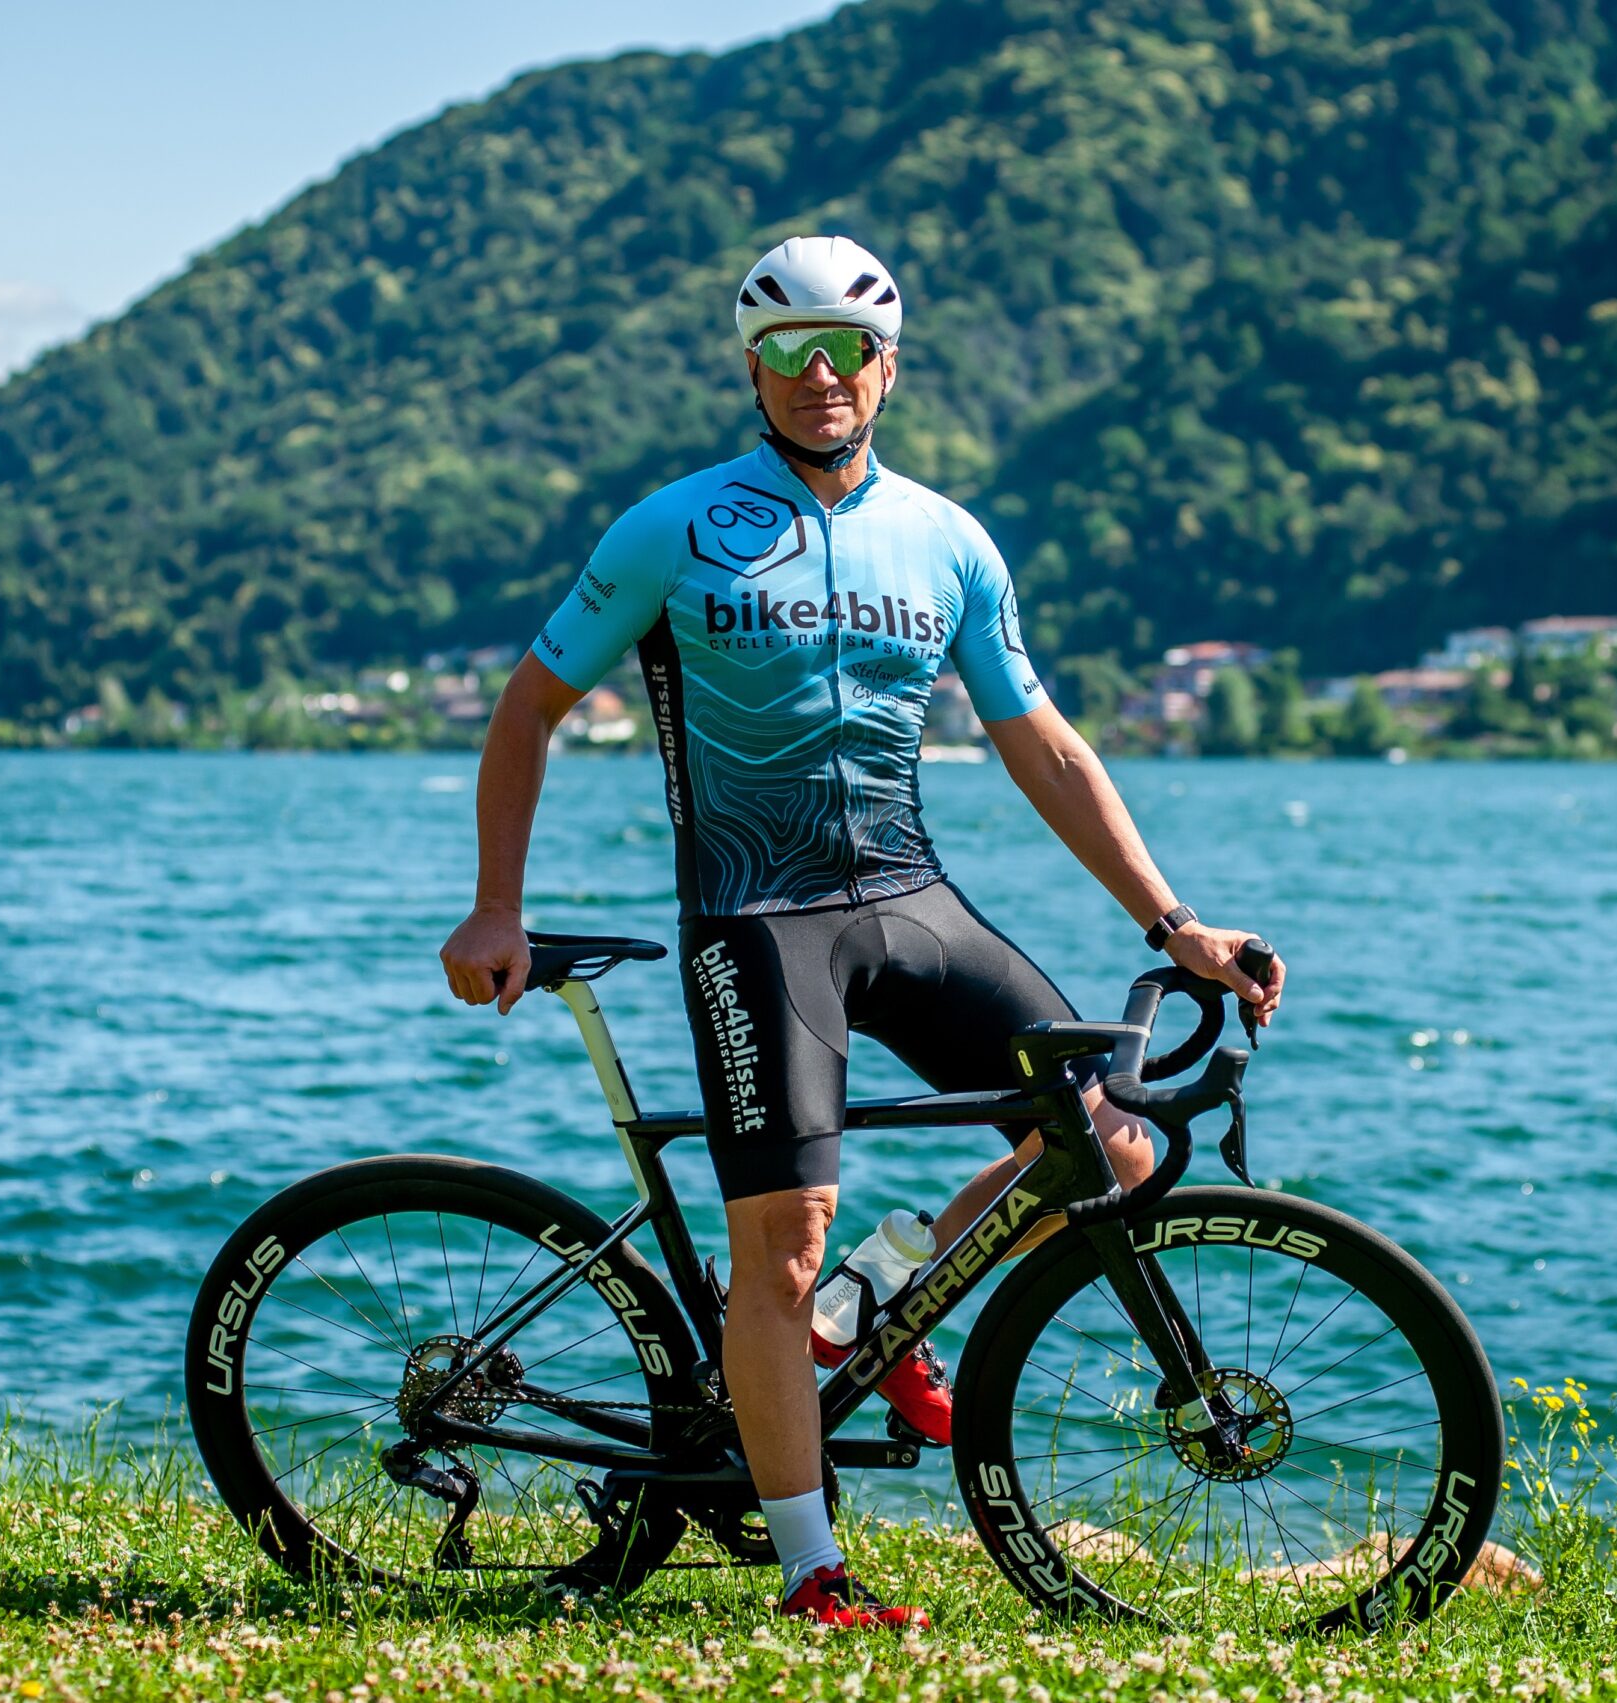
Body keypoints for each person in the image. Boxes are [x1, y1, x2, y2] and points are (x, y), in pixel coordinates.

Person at [439, 235, 1285, 1628]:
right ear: (751, 368)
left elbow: (1045, 746)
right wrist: (496, 902)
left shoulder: (947, 541)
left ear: (890, 366)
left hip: (907, 898)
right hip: (757, 921)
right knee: (778, 1245)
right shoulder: (673, 530)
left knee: (1111, 1140)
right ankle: (810, 1571)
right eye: (787, 351)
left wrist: (1175, 921)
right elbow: (528, 706)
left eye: (847, 348)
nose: (819, 374)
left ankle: (875, 1300)